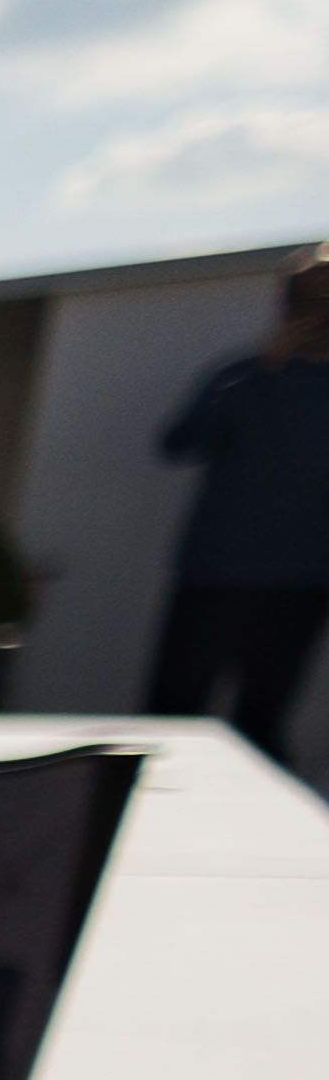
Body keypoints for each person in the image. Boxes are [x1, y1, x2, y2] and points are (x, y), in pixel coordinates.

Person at [144, 247, 329, 762]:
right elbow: (178, 443)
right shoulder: (240, 375)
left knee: (262, 723)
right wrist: (263, 369)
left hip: (302, 583)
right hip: (215, 575)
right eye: (307, 296)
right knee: (174, 712)